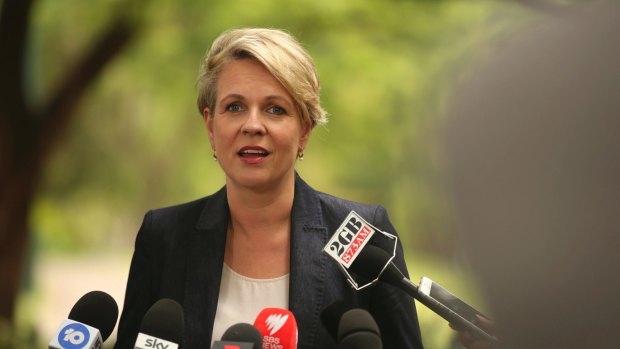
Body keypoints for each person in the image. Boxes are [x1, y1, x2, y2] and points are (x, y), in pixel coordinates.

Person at [114, 28, 425, 349]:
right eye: (234, 107)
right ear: (210, 126)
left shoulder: (363, 235)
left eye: (275, 109)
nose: (252, 125)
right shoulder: (163, 237)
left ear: (304, 130)